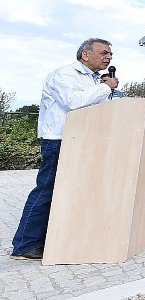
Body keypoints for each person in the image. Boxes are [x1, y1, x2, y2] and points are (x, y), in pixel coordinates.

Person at [11, 38, 119, 261]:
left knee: (70, 192)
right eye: (104, 53)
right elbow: (73, 101)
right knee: (46, 191)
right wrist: (104, 87)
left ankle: (56, 239)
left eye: (110, 54)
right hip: (59, 141)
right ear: (85, 54)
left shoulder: (95, 79)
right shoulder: (64, 75)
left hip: (82, 141)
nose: (108, 57)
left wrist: (108, 90)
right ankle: (24, 245)